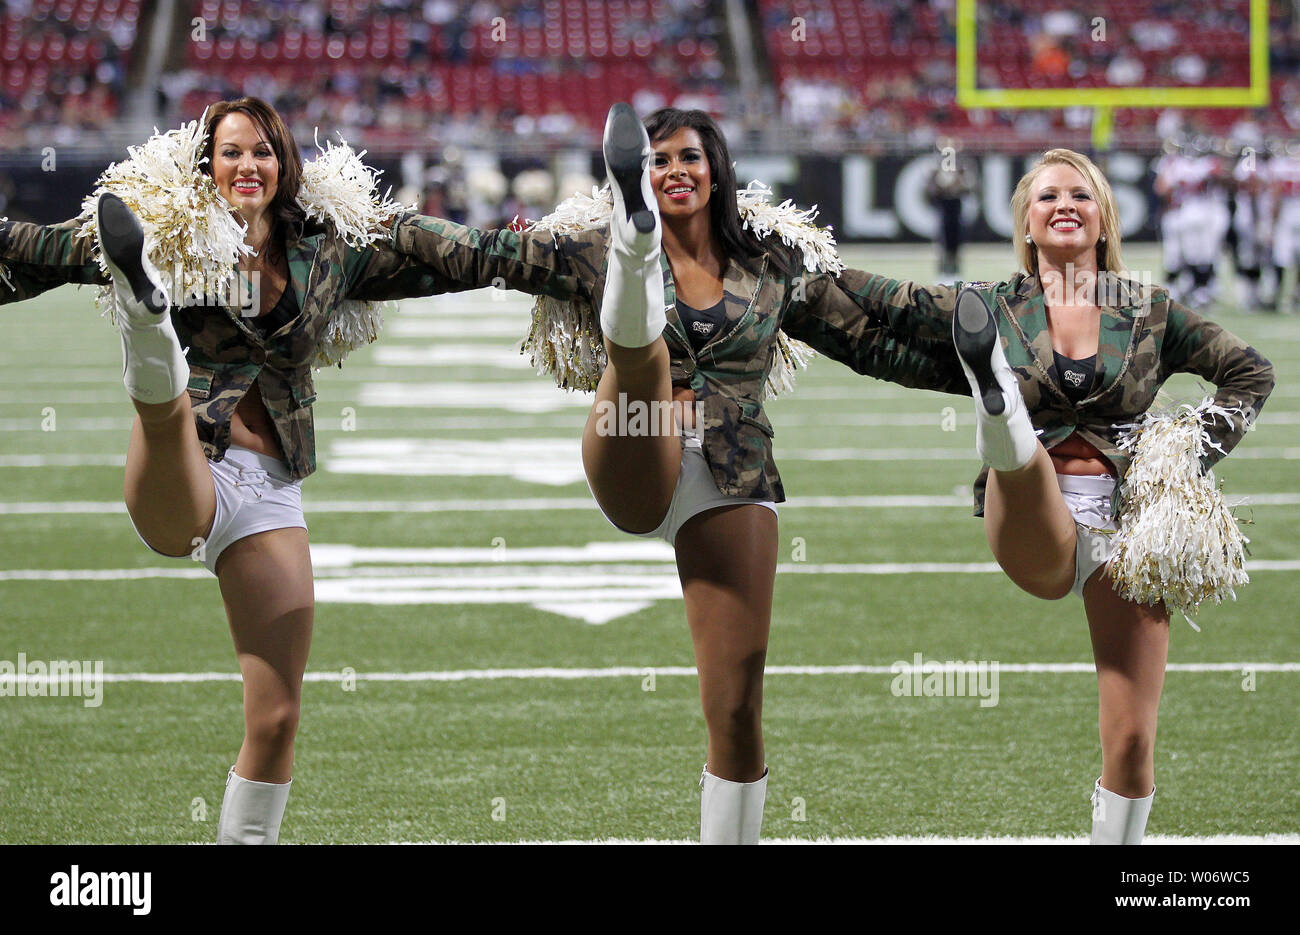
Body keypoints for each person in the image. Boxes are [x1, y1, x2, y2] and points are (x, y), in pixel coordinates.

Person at [382, 103, 966, 843]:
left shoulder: (768, 259)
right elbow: (479, 252)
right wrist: (376, 223)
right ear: (639, 175)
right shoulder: (582, 249)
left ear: (718, 169)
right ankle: (639, 247)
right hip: (634, 436)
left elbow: (875, 335)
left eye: (688, 158)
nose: (676, 171)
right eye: (657, 162)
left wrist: (992, 371)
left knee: (737, 705)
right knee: (642, 354)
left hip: (731, 469)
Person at [0, 96, 469, 843]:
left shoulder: (325, 247)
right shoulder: (169, 225)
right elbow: (34, 249)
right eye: (231, 152)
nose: (248, 165)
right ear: (206, 165)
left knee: (277, 714)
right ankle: (147, 314)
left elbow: (448, 259)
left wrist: (553, 261)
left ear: (284, 164)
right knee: (164, 408)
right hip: (185, 464)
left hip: (269, 488)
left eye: (262, 152)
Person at [946, 149, 1273, 842]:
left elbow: (1250, 372)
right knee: (1023, 460)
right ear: (1027, 226)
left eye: (1081, 195)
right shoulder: (998, 303)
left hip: (1131, 531)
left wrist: (1186, 455)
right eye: (1047, 197)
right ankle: (996, 402)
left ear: (1103, 220)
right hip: (1035, 520)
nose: (1064, 204)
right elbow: (869, 318)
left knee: (1131, 743)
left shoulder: (1147, 309)